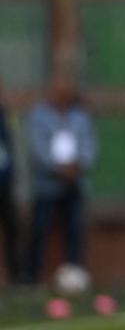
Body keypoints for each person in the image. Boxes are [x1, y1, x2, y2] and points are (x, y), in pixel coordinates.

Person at [25, 74, 98, 285]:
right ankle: (31, 276)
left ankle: (75, 277)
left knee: (75, 230)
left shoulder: (81, 116)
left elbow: (90, 145)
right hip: (47, 183)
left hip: (75, 182)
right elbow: (37, 147)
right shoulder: (39, 115)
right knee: (39, 228)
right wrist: (58, 168)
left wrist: (78, 166)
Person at [0, 80, 20, 285]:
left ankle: (16, 276)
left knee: (13, 226)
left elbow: (11, 142)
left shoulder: (5, 114)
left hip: (5, 181)